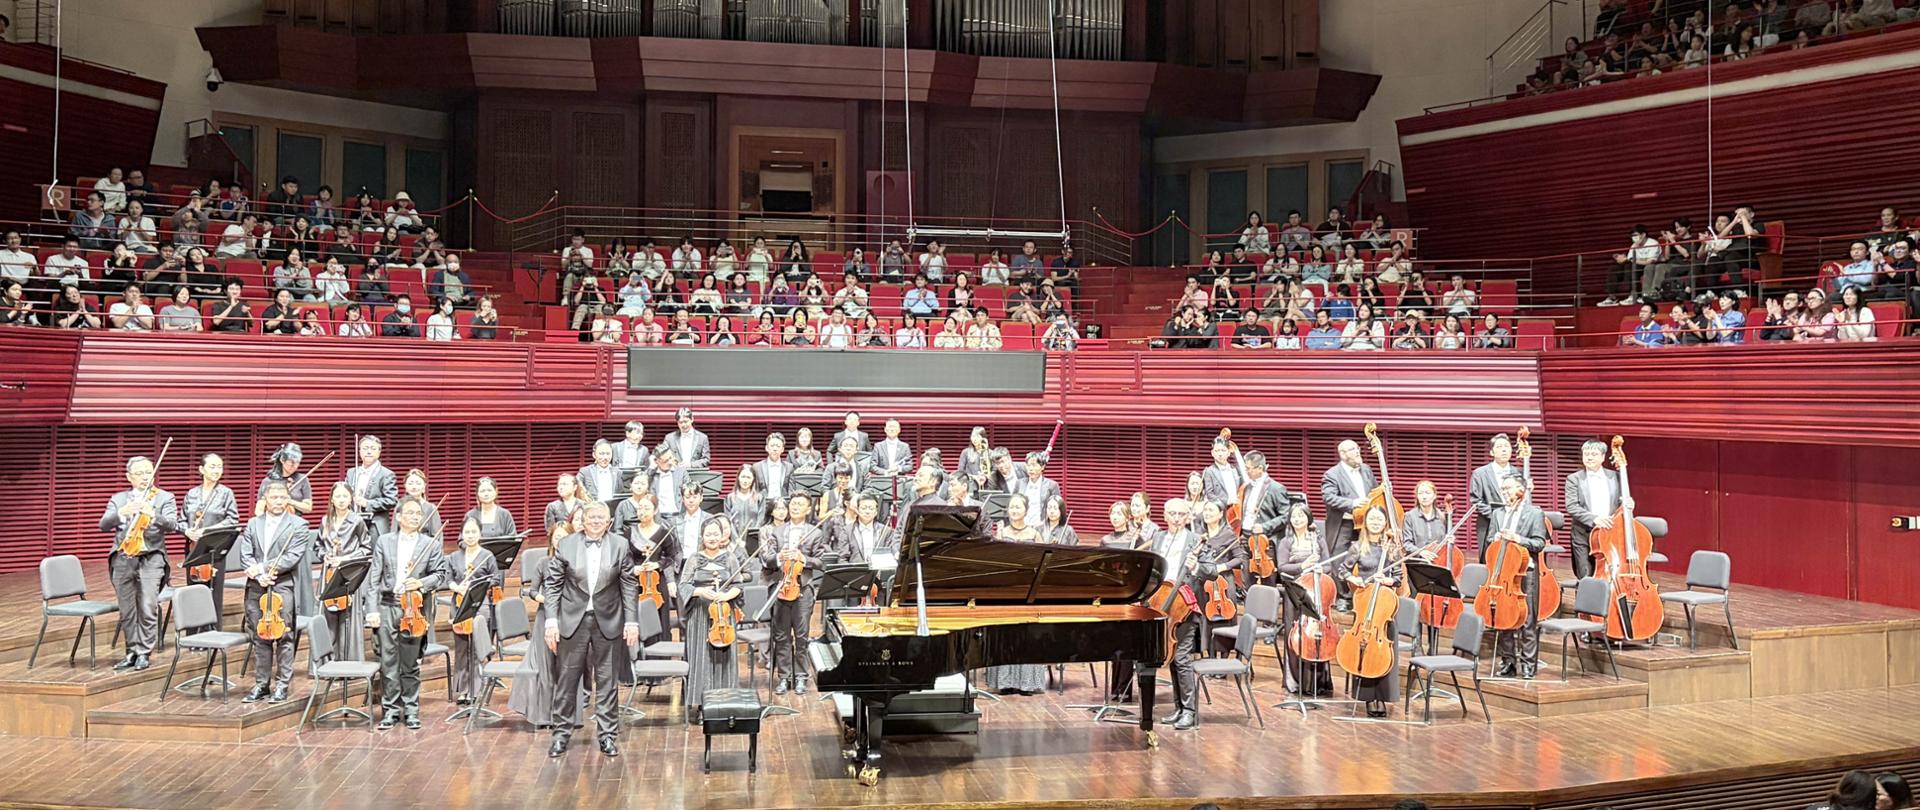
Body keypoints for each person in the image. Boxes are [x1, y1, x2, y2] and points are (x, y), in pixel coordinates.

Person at [542, 501, 639, 756]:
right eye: (591, 517)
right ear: (583, 521)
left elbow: (629, 585)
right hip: (573, 620)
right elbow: (552, 585)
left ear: (609, 522)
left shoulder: (620, 544)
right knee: (567, 680)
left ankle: (607, 735)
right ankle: (561, 735)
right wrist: (551, 621)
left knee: (607, 681)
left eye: (601, 517)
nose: (596, 521)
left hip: (609, 620)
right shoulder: (566, 544)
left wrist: (631, 621)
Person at [363, 496, 445, 729]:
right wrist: (372, 611)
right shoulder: (384, 542)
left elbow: (440, 575)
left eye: (417, 514)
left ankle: (411, 710)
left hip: (413, 608)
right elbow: (374, 581)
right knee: (388, 663)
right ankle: (389, 710)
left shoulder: (430, 544)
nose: (414, 517)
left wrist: (420, 583)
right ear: (398, 517)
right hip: (388, 606)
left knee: (410, 663)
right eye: (409, 513)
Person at [100, 455, 179, 672]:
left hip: (151, 557)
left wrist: (152, 514)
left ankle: (144, 651)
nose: (145, 477)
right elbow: (103, 524)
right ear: (129, 477)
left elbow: (172, 524)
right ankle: (132, 651)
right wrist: (122, 513)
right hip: (123, 558)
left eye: (148, 472)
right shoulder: (119, 499)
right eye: (140, 473)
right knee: (127, 609)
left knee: (147, 604)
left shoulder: (164, 498)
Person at [236, 480, 310, 703]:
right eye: (273, 497)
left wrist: (263, 568)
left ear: (287, 499)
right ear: (265, 500)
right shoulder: (252, 524)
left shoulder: (299, 525)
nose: (278, 502)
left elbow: (292, 557)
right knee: (259, 636)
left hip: (282, 585)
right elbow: (245, 554)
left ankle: (282, 685)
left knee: (284, 636)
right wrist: (258, 575)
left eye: (282, 497)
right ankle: (262, 684)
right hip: (256, 586)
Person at [677, 519, 749, 722]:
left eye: (716, 534)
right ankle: (702, 705)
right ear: (702, 536)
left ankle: (726, 703)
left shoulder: (731, 558)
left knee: (725, 660)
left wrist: (726, 596)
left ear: (722, 536)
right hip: (700, 615)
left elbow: (738, 585)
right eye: (708, 534)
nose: (712, 538)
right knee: (702, 659)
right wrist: (701, 591)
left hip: (723, 616)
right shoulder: (693, 558)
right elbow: (684, 586)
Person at [1150, 498, 1210, 730]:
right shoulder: (1159, 538)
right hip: (1161, 604)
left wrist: (1196, 567)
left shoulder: (1196, 540)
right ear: (1164, 516)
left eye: (1181, 514)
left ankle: (1190, 711)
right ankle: (1178, 708)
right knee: (1172, 659)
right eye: (1172, 514)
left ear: (1188, 517)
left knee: (1182, 659)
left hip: (1184, 608)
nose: (1176, 518)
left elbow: (1211, 572)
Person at [985, 494, 1052, 695]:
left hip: (1029, 590)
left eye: (1018, 507)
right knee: (1006, 635)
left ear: (1026, 510)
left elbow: (1044, 562)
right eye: (1011, 507)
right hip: (1006, 590)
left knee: (1027, 635)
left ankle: (1027, 684)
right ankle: (1005, 683)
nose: (1014, 510)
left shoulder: (1034, 534)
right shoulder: (1001, 534)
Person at [763, 493, 826, 695]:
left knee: (801, 636)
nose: (795, 507)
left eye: (800, 504)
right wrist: (779, 556)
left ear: (808, 509)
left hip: (802, 589)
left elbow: (821, 562)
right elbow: (766, 558)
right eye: (793, 504)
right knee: (781, 636)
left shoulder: (815, 533)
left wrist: (803, 558)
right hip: (780, 588)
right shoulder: (778, 531)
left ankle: (801, 677)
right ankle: (784, 677)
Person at [1344, 505, 1401, 717]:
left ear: (1385, 523)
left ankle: (1383, 697)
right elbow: (1343, 570)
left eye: (1379, 519)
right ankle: (1368, 698)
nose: (1375, 522)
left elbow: (1398, 578)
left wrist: (1386, 579)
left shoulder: (1391, 548)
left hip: (1385, 608)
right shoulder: (1358, 547)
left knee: (1384, 652)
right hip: (1365, 603)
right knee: (1364, 651)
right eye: (1372, 519)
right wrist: (1354, 578)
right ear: (1365, 522)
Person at [1488, 475, 1548, 679]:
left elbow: (1540, 543)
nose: (1504, 492)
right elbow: (1489, 541)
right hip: (1503, 573)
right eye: (1502, 489)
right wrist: (1495, 539)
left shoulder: (1535, 513)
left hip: (1525, 572)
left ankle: (1529, 665)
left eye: (1508, 489)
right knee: (1505, 618)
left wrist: (1518, 539)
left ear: (1521, 490)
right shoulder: (1497, 514)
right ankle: (1508, 663)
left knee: (1527, 620)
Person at [444, 518, 501, 707]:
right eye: (467, 532)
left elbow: (495, 579)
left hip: (480, 603)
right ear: (462, 534)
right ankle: (463, 690)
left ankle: (477, 689)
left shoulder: (487, 556)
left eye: (473, 532)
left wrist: (476, 585)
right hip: (459, 603)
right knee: (461, 649)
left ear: (479, 534)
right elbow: (447, 579)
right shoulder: (453, 557)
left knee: (476, 649)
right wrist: (456, 586)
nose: (470, 536)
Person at [178, 454, 239, 629]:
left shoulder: (226, 493)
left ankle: (213, 631)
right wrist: (187, 530)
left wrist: (207, 530)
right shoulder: (191, 494)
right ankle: (193, 633)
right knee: (193, 589)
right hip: (193, 547)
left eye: (219, 467)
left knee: (214, 590)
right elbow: (181, 520)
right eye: (212, 466)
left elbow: (232, 520)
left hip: (214, 547)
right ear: (201, 469)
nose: (217, 470)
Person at [315, 482, 371, 665]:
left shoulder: (357, 521)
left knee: (347, 618)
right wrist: (325, 556)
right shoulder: (325, 521)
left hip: (348, 574)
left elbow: (366, 548)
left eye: (344, 496)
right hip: (329, 574)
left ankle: (348, 662)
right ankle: (325, 663)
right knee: (328, 617)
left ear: (351, 499)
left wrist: (345, 559)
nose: (341, 500)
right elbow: (317, 547)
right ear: (332, 499)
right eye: (337, 496)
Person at [1319, 439, 1378, 608]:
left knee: (1368, 555)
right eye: (1352, 449)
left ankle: (1365, 592)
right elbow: (1328, 497)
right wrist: (1352, 503)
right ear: (1343, 454)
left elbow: (1374, 491)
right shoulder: (1332, 474)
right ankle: (1343, 597)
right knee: (1340, 558)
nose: (1358, 451)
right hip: (1343, 523)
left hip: (1365, 522)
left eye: (1357, 448)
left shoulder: (1366, 470)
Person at [1562, 439, 1627, 581]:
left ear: (1603, 457)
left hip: (1610, 533)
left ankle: (1610, 603)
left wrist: (1629, 503)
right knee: (1586, 576)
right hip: (1583, 535)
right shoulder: (1574, 479)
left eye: (1593, 454)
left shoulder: (1615, 476)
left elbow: (1622, 502)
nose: (1589, 457)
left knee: (1611, 575)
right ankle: (1584, 603)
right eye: (1586, 454)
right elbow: (1571, 506)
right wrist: (1594, 519)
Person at [345, 435, 398, 535]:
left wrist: (367, 503)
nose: (369, 452)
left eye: (373, 449)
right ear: (359, 451)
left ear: (379, 452)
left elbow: (392, 500)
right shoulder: (351, 472)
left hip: (374, 524)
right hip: (352, 523)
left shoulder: (386, 474)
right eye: (365, 448)